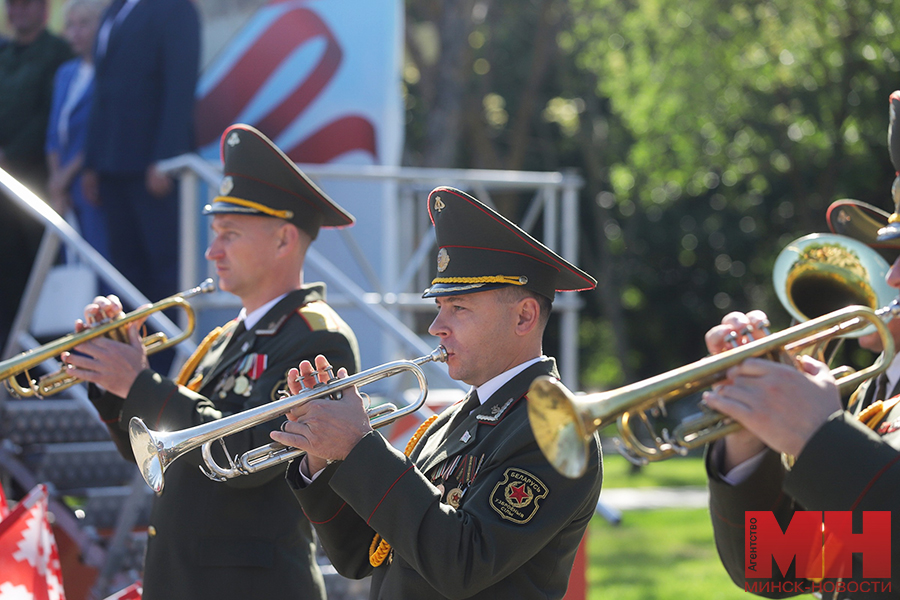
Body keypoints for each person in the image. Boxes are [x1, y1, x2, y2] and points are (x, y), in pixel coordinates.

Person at [62, 124, 360, 600]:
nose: (211, 250)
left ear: (284, 240)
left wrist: (139, 381)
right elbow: (160, 452)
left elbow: (248, 455)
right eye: (214, 233)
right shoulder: (226, 339)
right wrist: (115, 376)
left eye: (229, 233)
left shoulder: (316, 338)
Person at [271, 186, 602, 600]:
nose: (436, 327)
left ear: (524, 316)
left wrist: (359, 446)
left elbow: (463, 564)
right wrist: (323, 453)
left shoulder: (556, 429)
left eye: (459, 308)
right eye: (439, 307)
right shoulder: (445, 424)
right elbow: (360, 556)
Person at [701, 199, 900, 598]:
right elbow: (780, 567)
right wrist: (748, 439)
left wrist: (819, 438)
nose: (891, 277)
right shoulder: (871, 394)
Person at [81, 0, 199, 304]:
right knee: (124, 272)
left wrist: (165, 159)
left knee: (163, 266)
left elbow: (180, 86)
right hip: (111, 165)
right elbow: (102, 90)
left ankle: (166, 349)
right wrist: (92, 162)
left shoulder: (176, 8)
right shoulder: (113, 11)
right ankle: (130, 347)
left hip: (150, 167)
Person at [0, 0, 71, 347]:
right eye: (13, 5)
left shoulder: (59, 54)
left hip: (39, 188)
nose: (18, 11)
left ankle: (46, 367)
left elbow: (51, 118)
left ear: (44, 10)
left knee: (42, 277)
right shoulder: (4, 53)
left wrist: (10, 154)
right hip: (4, 192)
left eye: (27, 5)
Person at [46, 0, 109, 259]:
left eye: (84, 24)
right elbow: (53, 134)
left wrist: (65, 176)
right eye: (70, 25)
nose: (75, 32)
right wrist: (56, 181)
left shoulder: (108, 72)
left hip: (91, 184)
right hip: (63, 190)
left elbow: (97, 132)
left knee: (100, 258)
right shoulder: (65, 73)